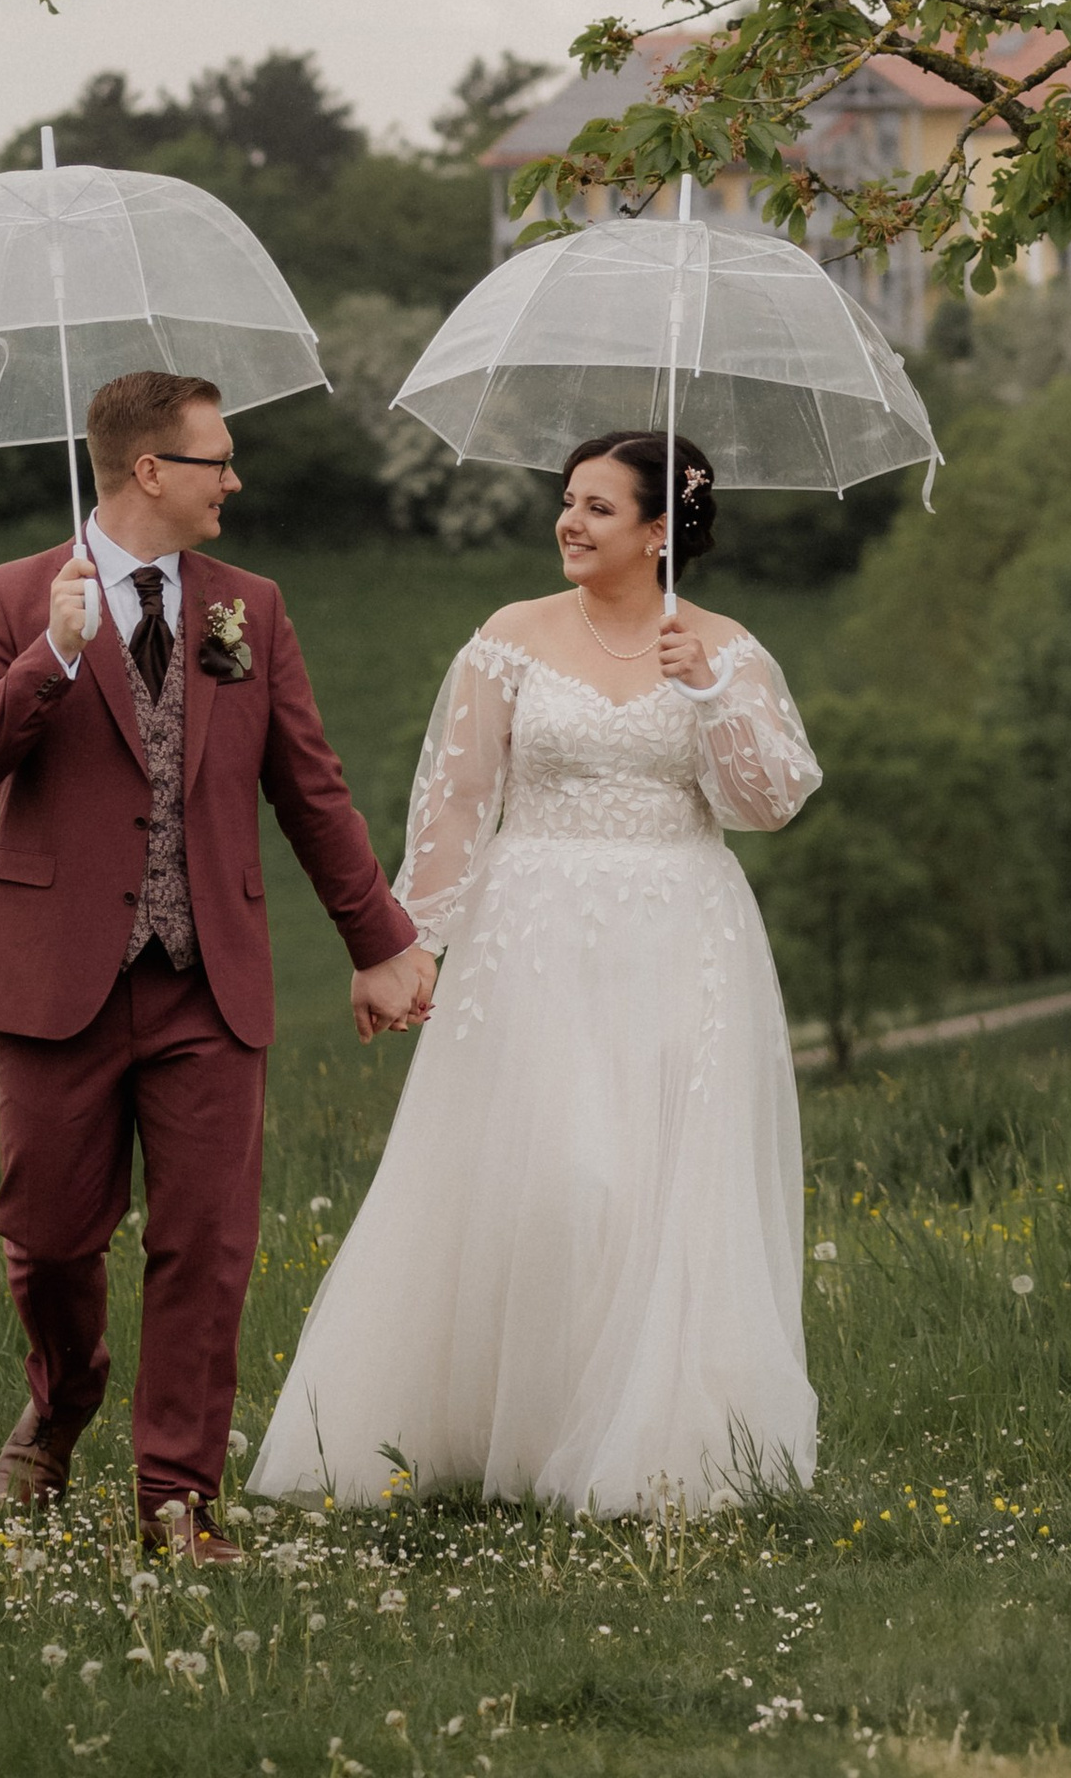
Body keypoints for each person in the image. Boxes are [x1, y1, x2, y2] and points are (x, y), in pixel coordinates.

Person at [250, 430, 823, 1516]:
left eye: (599, 507)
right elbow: (457, 799)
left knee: (660, 1184)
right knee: (563, 1179)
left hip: (680, 937)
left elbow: (771, 797)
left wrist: (708, 693)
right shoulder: (507, 638)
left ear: (660, 530)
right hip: (534, 938)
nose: (569, 521)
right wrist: (411, 942)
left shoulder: (723, 647)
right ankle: (511, 1427)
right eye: (568, 501)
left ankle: (646, 1437)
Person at [0, 366, 437, 1565]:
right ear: (150, 469)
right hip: (55, 977)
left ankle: (176, 1502)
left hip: (209, 977)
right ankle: (63, 1394)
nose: (235, 479)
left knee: (206, 1245)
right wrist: (48, 659)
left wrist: (380, 941)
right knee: (49, 1235)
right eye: (216, 458)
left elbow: (308, 785)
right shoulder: (10, 595)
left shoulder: (246, 606)